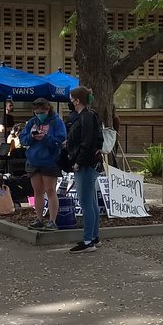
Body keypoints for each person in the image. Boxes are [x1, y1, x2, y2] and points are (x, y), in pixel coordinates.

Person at [65, 86, 104, 253]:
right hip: (91, 162)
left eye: (71, 99)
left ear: (77, 100)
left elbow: (87, 141)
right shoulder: (90, 115)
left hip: (85, 164)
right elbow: (95, 139)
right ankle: (94, 236)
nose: (70, 102)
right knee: (92, 201)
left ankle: (88, 240)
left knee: (86, 202)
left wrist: (78, 162)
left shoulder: (85, 116)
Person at [21, 97, 66, 230]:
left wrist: (45, 138)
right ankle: (39, 218)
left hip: (50, 161)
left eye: (42, 111)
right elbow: (23, 139)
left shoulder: (56, 122)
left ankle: (52, 220)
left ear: (48, 109)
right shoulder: (32, 122)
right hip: (34, 160)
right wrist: (32, 137)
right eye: (37, 112)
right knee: (37, 191)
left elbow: (61, 140)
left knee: (50, 190)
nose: (40, 114)